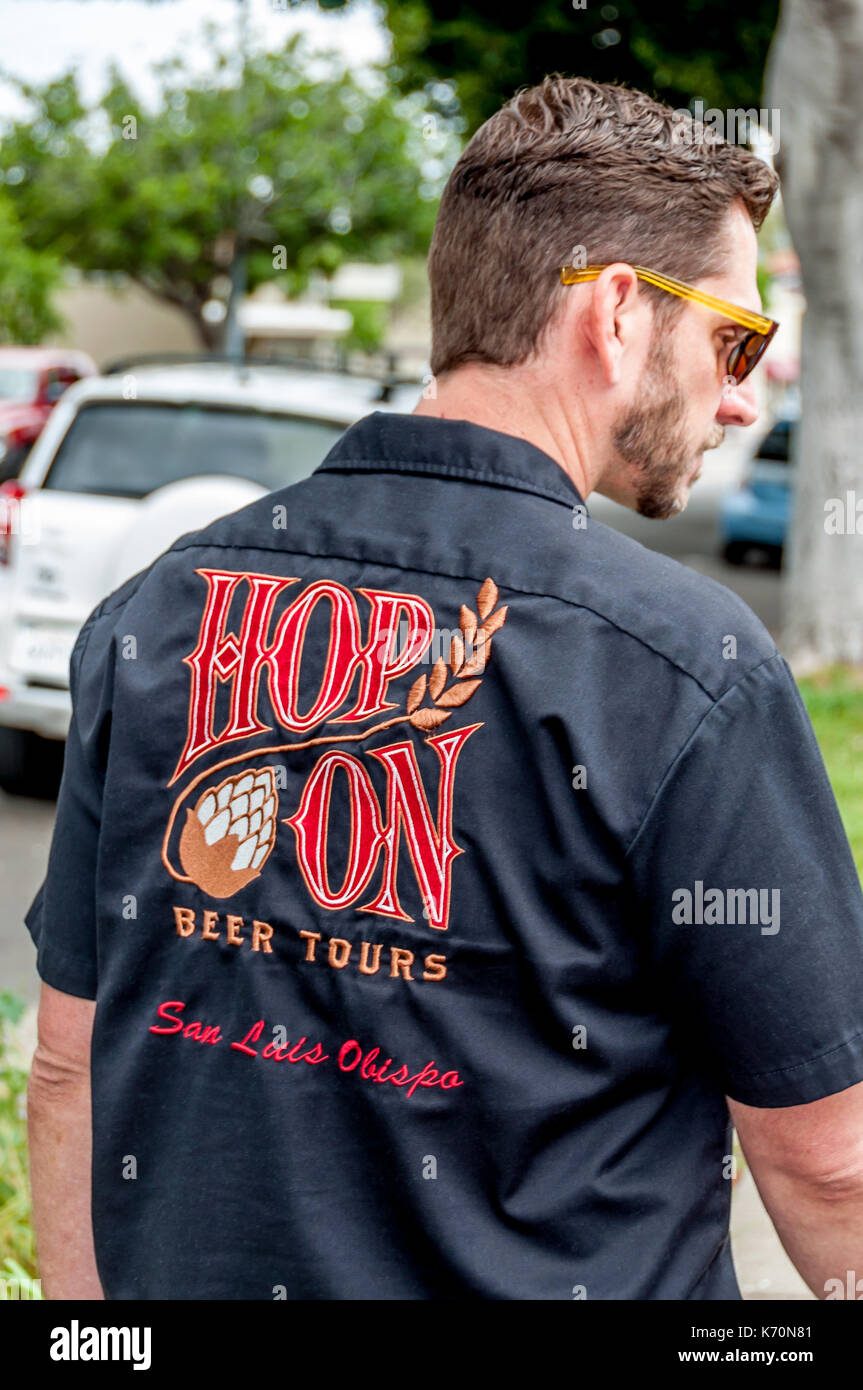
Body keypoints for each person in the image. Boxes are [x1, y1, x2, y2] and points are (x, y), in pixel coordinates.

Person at [26, 75, 863, 1302]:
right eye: (733, 338)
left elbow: (68, 1067)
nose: (740, 394)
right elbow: (827, 1167)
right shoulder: (685, 667)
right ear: (618, 314)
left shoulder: (156, 608)